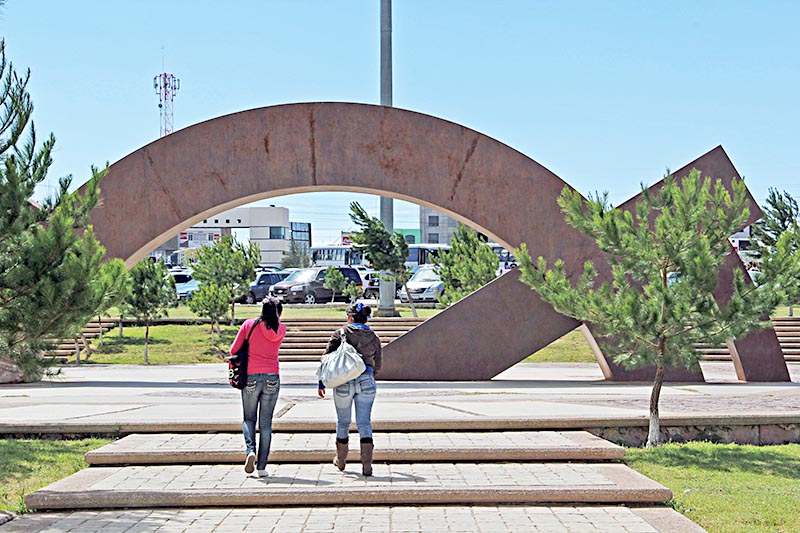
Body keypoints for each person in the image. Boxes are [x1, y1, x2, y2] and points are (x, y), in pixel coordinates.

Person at [317, 302, 381, 476]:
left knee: (343, 422)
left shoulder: (340, 333)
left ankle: (341, 460)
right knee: (364, 422)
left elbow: (327, 359)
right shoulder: (373, 336)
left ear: (350, 317)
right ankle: (367, 464)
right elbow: (378, 364)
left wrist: (322, 382)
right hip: (366, 380)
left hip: (343, 382)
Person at [229, 297, 286, 477]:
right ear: (279, 312)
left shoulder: (249, 325)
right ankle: (262, 467)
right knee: (266, 424)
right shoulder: (281, 329)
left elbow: (233, 350)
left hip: (251, 376)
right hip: (272, 377)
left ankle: (250, 451)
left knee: (249, 419)